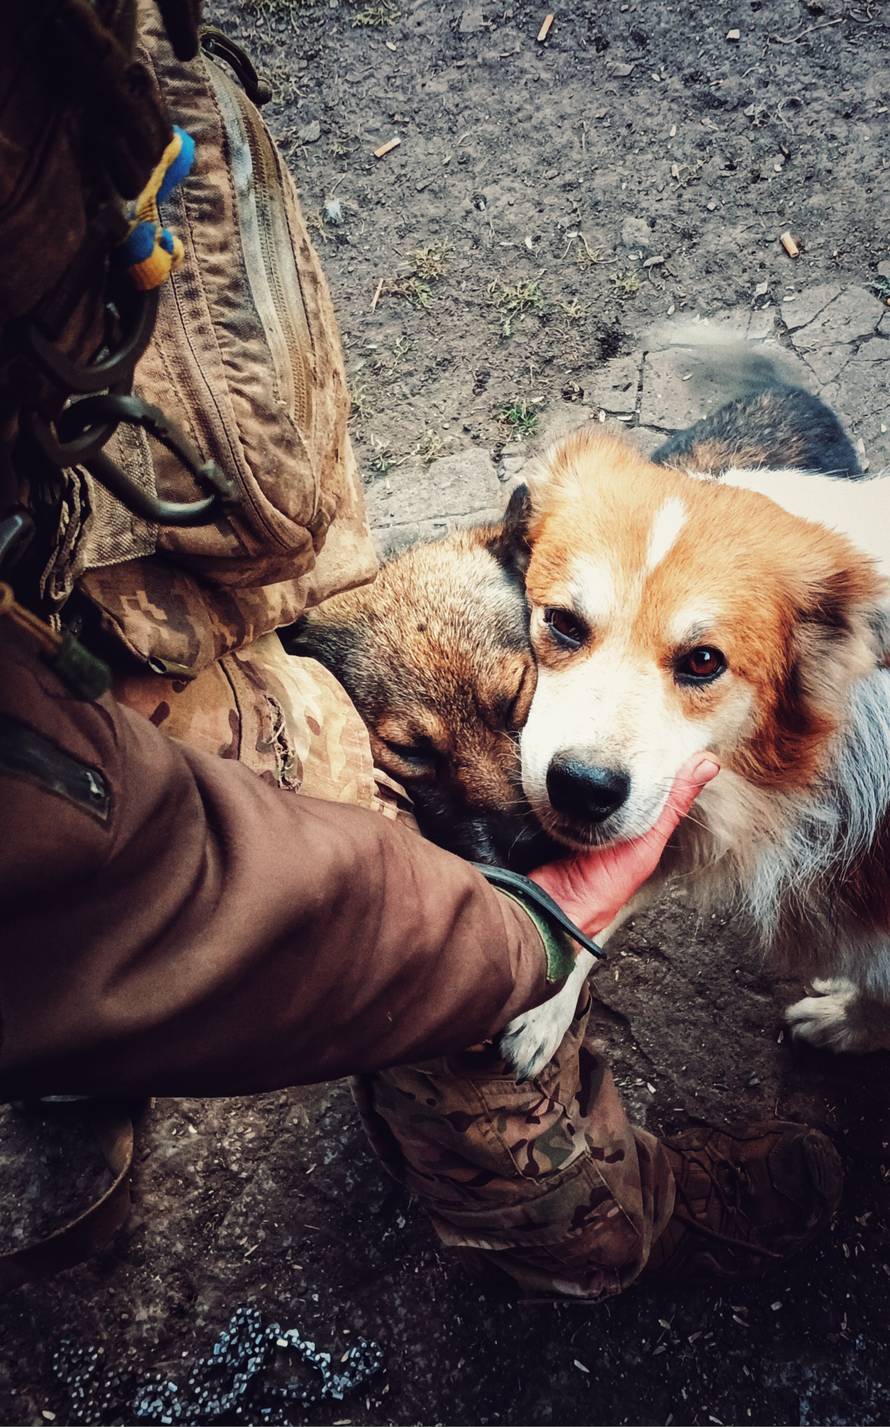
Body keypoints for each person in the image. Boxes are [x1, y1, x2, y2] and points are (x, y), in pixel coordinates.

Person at [0, 0, 841, 1301]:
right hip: (90, 685)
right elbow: (120, 860)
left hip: (190, 451)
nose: (531, 796)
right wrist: (509, 945)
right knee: (410, 936)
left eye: (516, 699)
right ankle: (590, 1221)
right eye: (559, 637)